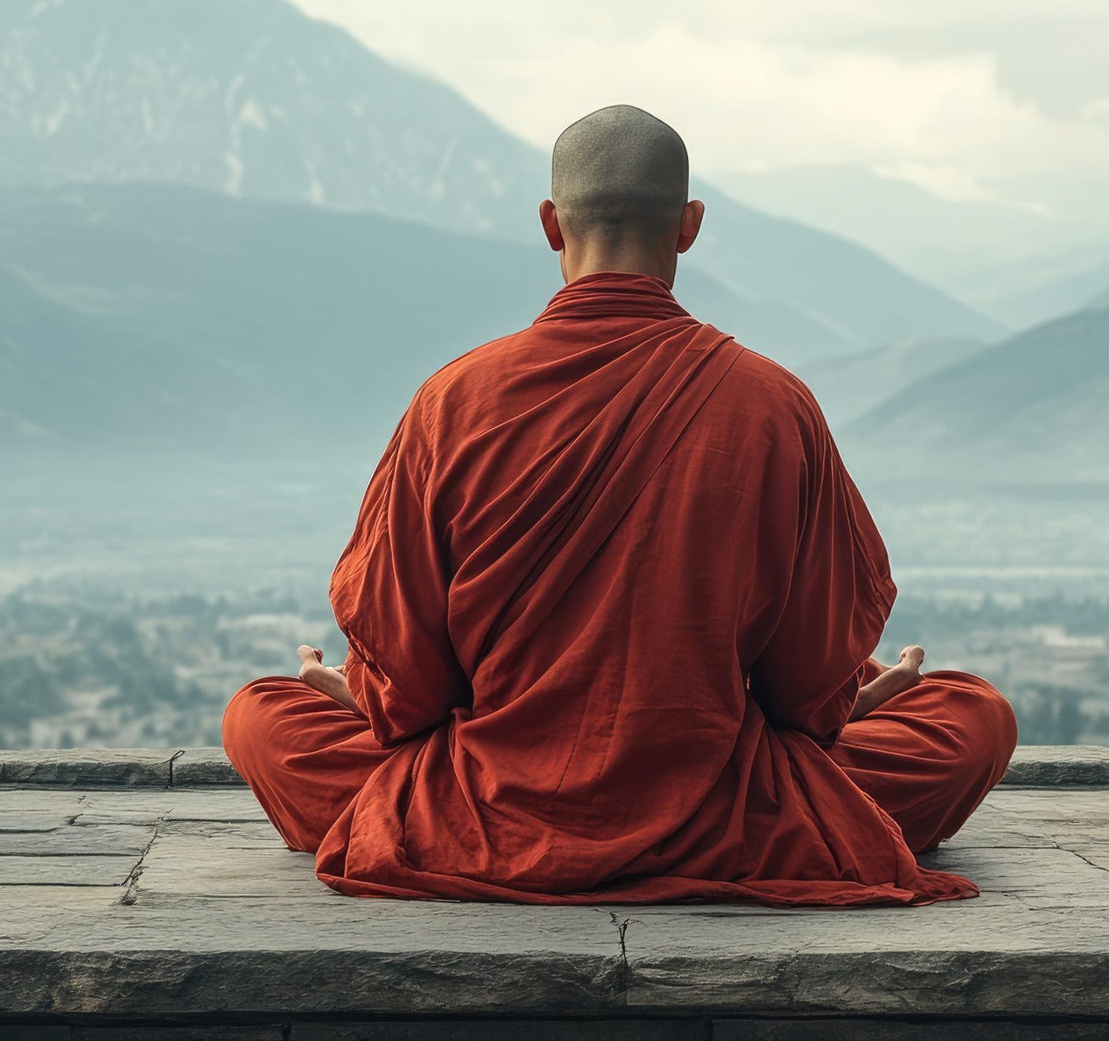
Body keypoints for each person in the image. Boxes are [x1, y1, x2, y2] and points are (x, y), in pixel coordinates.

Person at [223, 104, 1016, 905]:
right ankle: (714, 847)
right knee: (969, 715)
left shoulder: (452, 401)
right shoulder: (774, 404)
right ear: (690, 226)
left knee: (264, 715)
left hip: (482, 804)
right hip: (727, 807)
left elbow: (411, 695)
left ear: (549, 225)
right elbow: (806, 692)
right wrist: (854, 700)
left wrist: (356, 692)